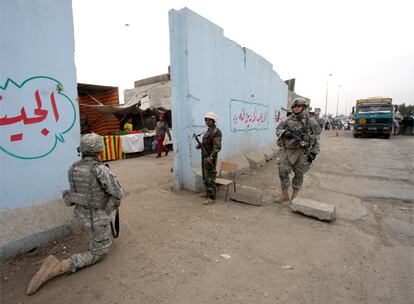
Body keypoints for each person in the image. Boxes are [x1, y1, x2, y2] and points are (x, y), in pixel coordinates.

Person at [27, 133, 124, 295]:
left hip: (82, 215)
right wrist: (109, 207)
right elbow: (118, 192)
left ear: (82, 150)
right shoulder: (99, 169)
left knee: (99, 233)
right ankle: (58, 266)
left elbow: (75, 193)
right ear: (99, 150)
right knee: (99, 252)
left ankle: (98, 237)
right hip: (97, 218)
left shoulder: (73, 168)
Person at [274, 98, 321, 203]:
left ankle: (294, 196)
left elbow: (317, 135)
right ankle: (284, 194)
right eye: (295, 107)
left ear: (303, 107)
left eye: (298, 106)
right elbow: (278, 130)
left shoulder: (310, 121)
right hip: (288, 150)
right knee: (282, 171)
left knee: (299, 173)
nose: (296, 108)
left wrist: (314, 151)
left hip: (302, 152)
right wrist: (285, 133)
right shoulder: (287, 120)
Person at [196, 112, 222, 205]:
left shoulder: (216, 131)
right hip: (204, 156)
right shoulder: (208, 131)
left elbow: (217, 147)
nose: (207, 121)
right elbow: (206, 143)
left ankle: (212, 197)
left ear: (214, 121)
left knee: (210, 177)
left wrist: (211, 157)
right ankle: (207, 193)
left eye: (209, 120)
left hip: (210, 157)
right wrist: (200, 145)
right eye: (206, 120)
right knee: (205, 176)